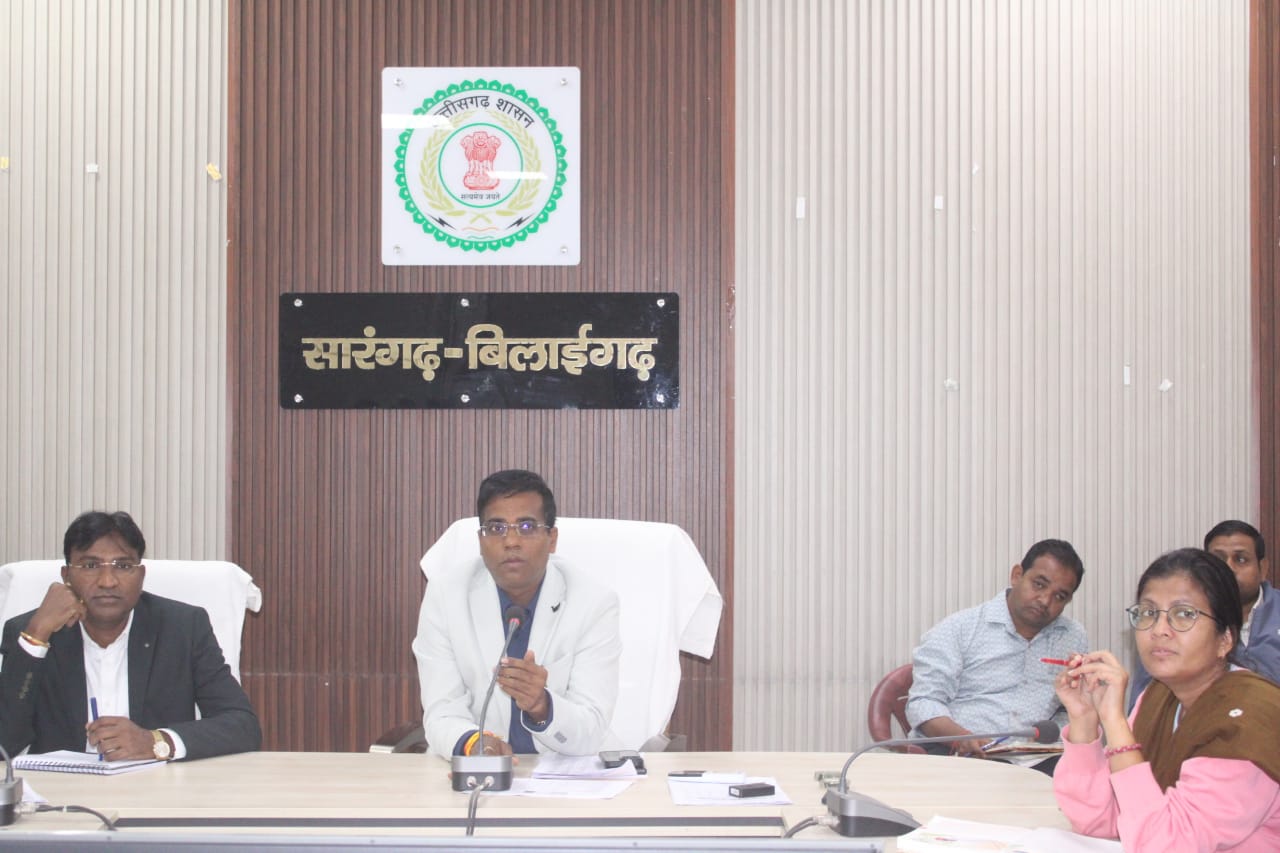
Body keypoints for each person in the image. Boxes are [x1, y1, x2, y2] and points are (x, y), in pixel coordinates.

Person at [1054, 549, 1280, 850]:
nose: (1159, 630)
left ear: (1225, 639)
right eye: (1148, 613)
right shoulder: (1159, 697)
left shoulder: (1250, 718)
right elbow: (1101, 821)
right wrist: (1084, 719)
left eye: (1184, 614)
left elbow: (1168, 845)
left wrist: (1116, 723)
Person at [0, 511, 261, 761]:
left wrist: (156, 742)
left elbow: (242, 726)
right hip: (62, 788)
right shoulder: (32, 631)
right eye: (90, 565)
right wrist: (36, 636)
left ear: (141, 575)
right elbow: (5, 745)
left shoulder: (183, 628)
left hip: (156, 786)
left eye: (123, 566)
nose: (107, 581)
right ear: (66, 576)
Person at [412, 469, 621, 759]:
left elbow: (592, 726)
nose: (511, 541)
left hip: (567, 772)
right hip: (479, 772)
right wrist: (476, 745)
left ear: (552, 539)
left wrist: (542, 705)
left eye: (526, 527)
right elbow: (441, 711)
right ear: (480, 539)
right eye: (496, 528)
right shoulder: (446, 596)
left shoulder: (593, 603)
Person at [906, 539, 1087, 761]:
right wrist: (961, 738)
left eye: (1059, 596)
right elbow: (923, 702)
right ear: (1017, 575)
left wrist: (1058, 735)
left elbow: (1068, 710)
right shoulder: (959, 629)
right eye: (1039, 584)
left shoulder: (1072, 636)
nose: (1045, 600)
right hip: (962, 754)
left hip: (1037, 758)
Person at [1129, 521, 1280, 705]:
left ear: (1263, 568)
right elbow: (1142, 704)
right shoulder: (1160, 632)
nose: (1229, 568)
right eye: (1219, 560)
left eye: (1241, 559)